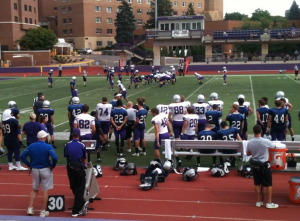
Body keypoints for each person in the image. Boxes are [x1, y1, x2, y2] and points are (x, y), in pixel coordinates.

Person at [20, 130, 58, 217]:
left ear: (38, 137)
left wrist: (29, 165)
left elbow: (22, 156)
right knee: (45, 190)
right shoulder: (48, 146)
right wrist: (52, 166)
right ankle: (42, 211)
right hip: (45, 169)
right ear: (45, 137)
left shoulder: (31, 146)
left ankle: (30, 208)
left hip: (35, 169)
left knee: (34, 189)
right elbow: (55, 158)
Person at [246, 125, 278, 209]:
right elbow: (274, 147)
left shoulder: (250, 142)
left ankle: (258, 201)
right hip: (264, 165)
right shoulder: (266, 141)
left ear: (253, 132)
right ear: (261, 132)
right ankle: (269, 202)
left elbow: (248, 153)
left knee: (257, 184)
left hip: (255, 165)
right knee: (268, 184)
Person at [64, 128, 89, 217]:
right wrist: (85, 165)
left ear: (72, 135)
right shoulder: (82, 145)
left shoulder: (67, 145)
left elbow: (66, 156)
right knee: (79, 189)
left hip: (70, 169)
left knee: (73, 187)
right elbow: (84, 157)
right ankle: (76, 209)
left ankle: (81, 203)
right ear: (79, 135)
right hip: (79, 169)